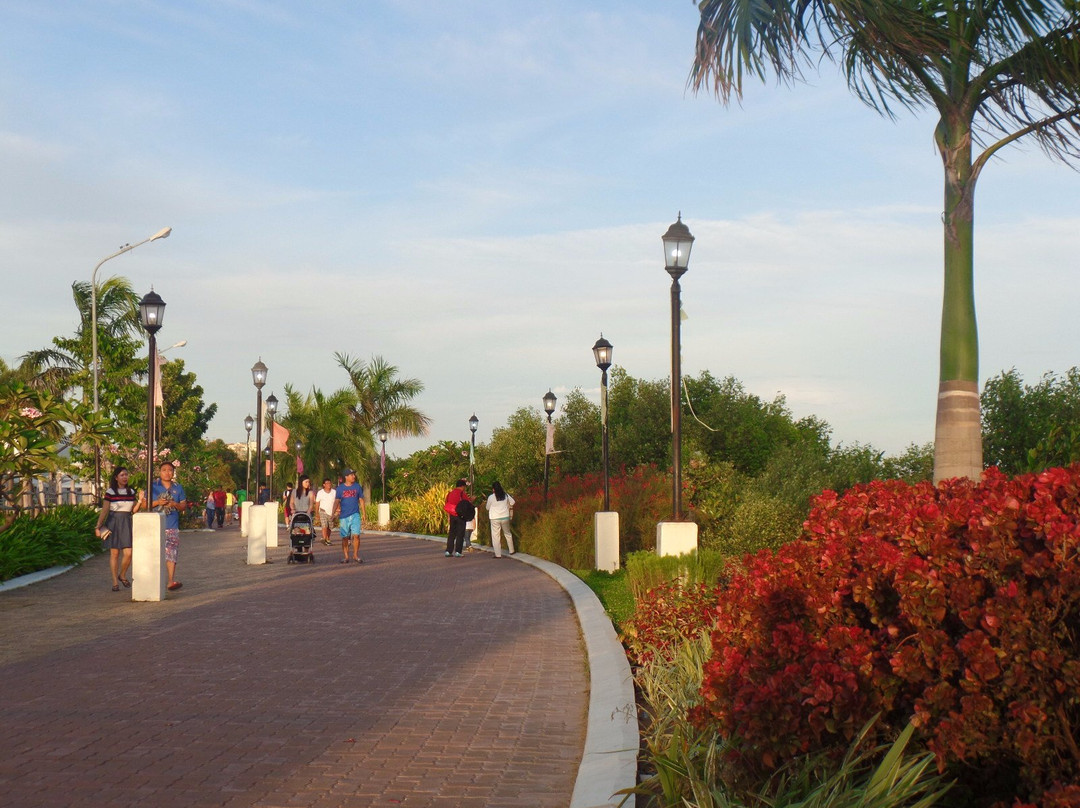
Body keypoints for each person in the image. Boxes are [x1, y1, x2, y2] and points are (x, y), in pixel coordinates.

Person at [94, 465, 141, 591]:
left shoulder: (131, 492)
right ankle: (115, 582)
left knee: (129, 553)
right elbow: (104, 510)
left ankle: (122, 574)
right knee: (114, 553)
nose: (125, 477)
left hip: (126, 522)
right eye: (122, 475)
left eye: (126, 474)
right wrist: (98, 526)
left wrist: (140, 501)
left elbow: (134, 510)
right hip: (113, 522)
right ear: (116, 477)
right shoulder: (110, 492)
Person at [149, 460, 188, 591]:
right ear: (160, 472)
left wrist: (174, 504)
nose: (167, 472)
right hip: (155, 525)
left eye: (170, 470)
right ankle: (153, 581)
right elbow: (144, 505)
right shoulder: (153, 486)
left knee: (171, 553)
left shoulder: (178, 487)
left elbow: (183, 506)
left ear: (173, 472)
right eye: (164, 470)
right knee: (155, 553)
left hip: (172, 524)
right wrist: (157, 502)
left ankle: (171, 580)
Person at [332, 469, 366, 563]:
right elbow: (336, 501)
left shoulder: (357, 487)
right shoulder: (340, 489)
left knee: (356, 536)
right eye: (351, 475)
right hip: (344, 516)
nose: (354, 476)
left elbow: (361, 500)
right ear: (346, 477)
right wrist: (333, 513)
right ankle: (346, 557)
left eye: (354, 475)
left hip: (355, 514)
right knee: (345, 537)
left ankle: (355, 555)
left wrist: (364, 514)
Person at [486, 480, 516, 558]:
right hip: (505, 517)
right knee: (507, 533)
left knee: (496, 536)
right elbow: (513, 502)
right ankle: (511, 550)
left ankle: (498, 554)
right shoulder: (505, 495)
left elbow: (487, 507)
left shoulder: (491, 497)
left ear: (493, 489)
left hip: (494, 518)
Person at [443, 478, 471, 558]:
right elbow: (467, 503)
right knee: (460, 534)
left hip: (452, 515)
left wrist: (448, 516)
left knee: (452, 533)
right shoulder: (462, 494)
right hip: (460, 516)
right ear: (462, 486)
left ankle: (448, 551)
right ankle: (458, 551)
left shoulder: (450, 493)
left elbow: (447, 504)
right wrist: (471, 499)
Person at [315, 478, 336, 546]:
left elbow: (337, 502)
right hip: (322, 511)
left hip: (331, 512)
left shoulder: (334, 492)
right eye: (327, 483)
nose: (329, 485)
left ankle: (327, 538)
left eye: (330, 483)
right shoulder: (320, 492)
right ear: (324, 485)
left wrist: (338, 510)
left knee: (330, 527)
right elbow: (317, 503)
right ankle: (324, 539)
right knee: (324, 526)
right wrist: (316, 513)